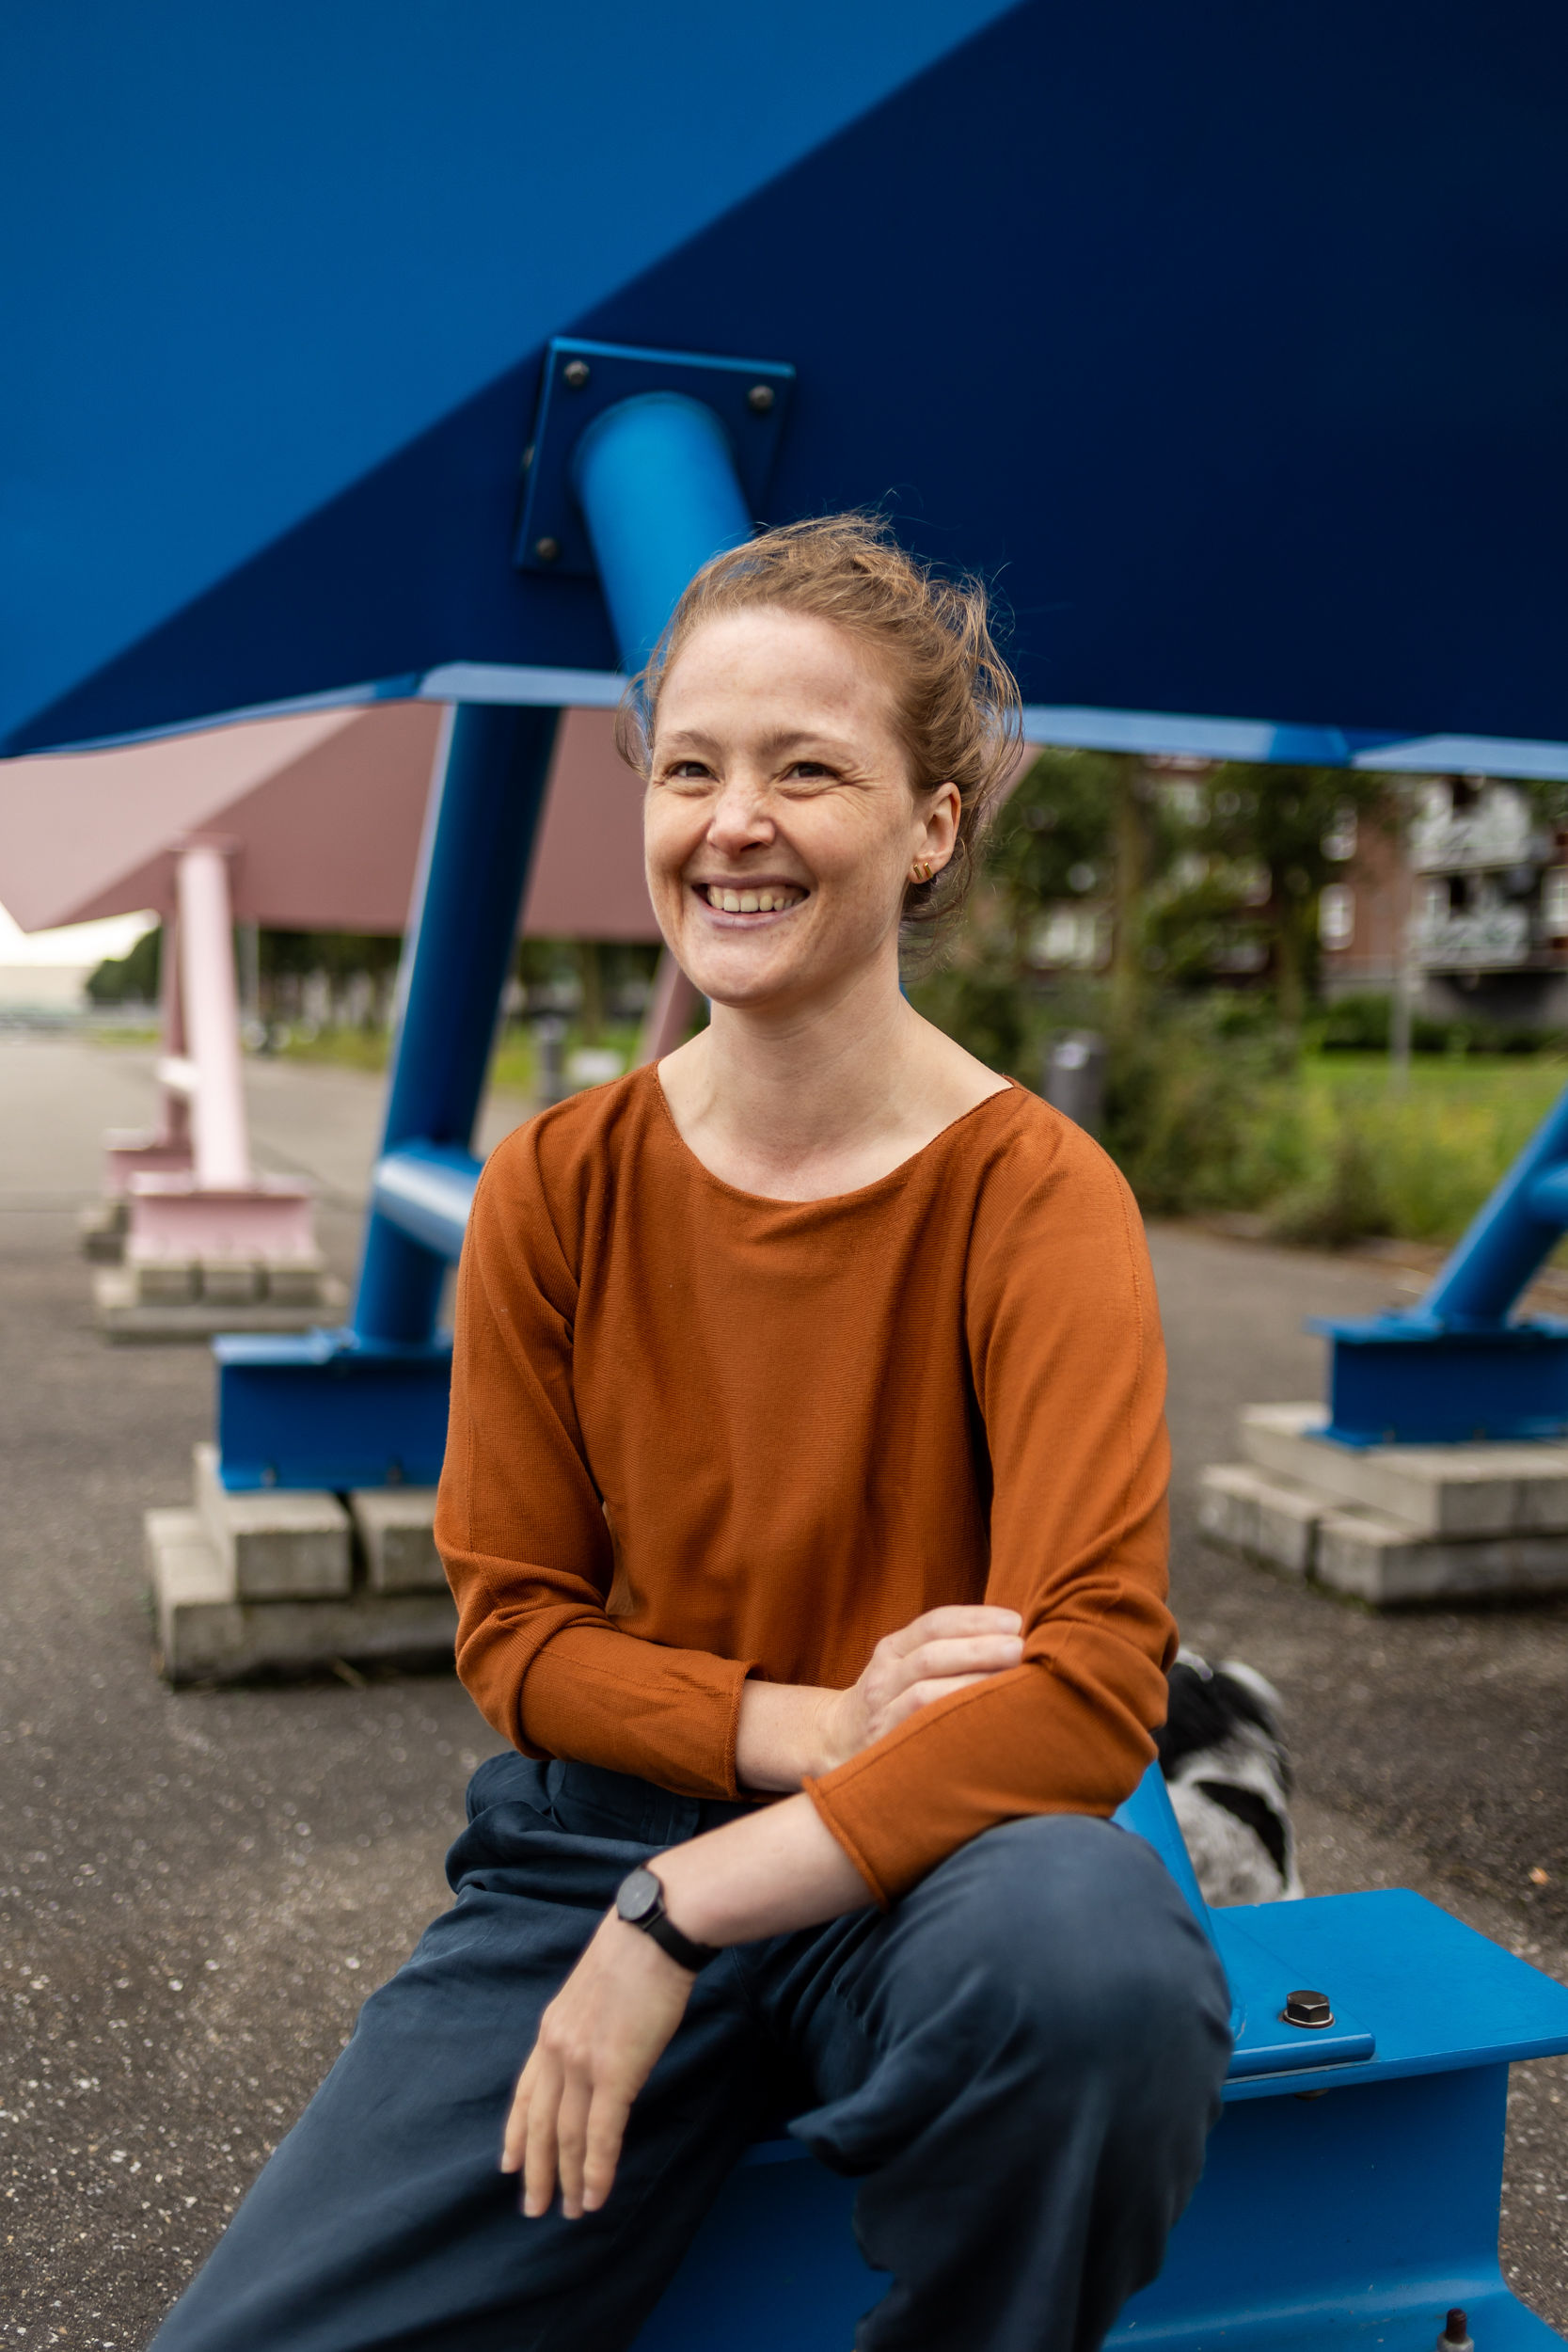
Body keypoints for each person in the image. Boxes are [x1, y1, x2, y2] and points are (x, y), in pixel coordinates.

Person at [150, 515, 1230, 2352]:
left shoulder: (1035, 1196)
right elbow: (515, 1632)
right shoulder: (554, 1188)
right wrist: (786, 1732)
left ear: (932, 825)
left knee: (1093, 1953)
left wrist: (688, 1903)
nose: (735, 820)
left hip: (925, 1863)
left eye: (809, 768)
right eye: (695, 766)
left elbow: (1090, 1677)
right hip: (587, 1845)